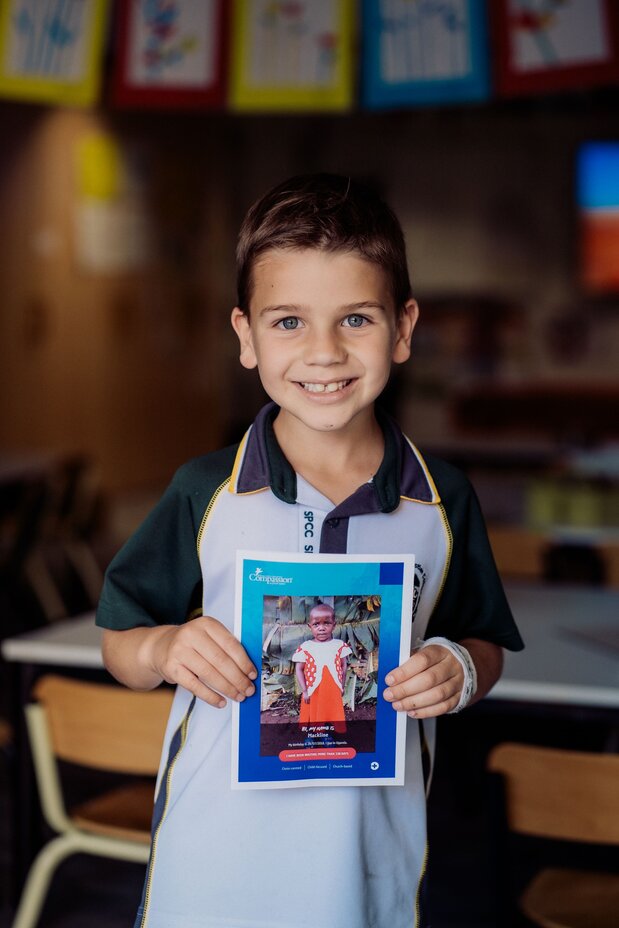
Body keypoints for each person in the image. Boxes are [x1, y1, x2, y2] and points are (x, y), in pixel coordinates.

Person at [97, 173, 524, 928]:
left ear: (402, 327)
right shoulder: (206, 490)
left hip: (369, 855)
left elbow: (483, 641)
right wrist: (162, 649)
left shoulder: (441, 497)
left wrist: (460, 669)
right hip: (214, 852)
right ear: (245, 335)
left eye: (355, 318)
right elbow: (119, 643)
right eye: (288, 321)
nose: (323, 352)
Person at [292, 602, 351, 733]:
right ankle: (311, 736)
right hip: (313, 689)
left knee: (328, 710)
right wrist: (305, 690)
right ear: (310, 626)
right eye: (316, 624)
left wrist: (342, 685)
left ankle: (326, 735)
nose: (322, 628)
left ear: (334, 625)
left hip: (332, 687)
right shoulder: (306, 647)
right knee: (313, 711)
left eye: (327, 623)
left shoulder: (339, 645)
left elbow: (343, 666)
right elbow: (299, 669)